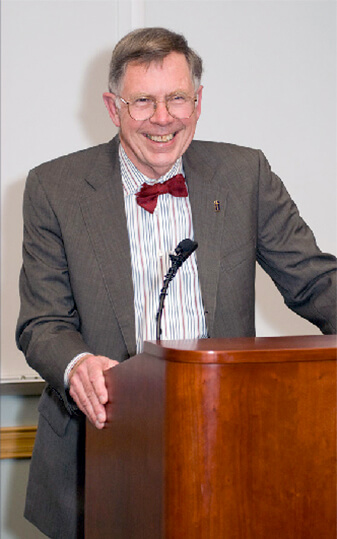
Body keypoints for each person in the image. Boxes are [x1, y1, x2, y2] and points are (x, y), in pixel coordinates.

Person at [16, 27, 336, 539]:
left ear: (198, 101)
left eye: (177, 99)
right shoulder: (55, 188)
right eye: (143, 100)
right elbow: (43, 321)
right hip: (98, 455)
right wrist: (78, 365)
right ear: (112, 106)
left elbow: (315, 281)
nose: (163, 118)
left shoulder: (244, 173)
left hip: (228, 449)